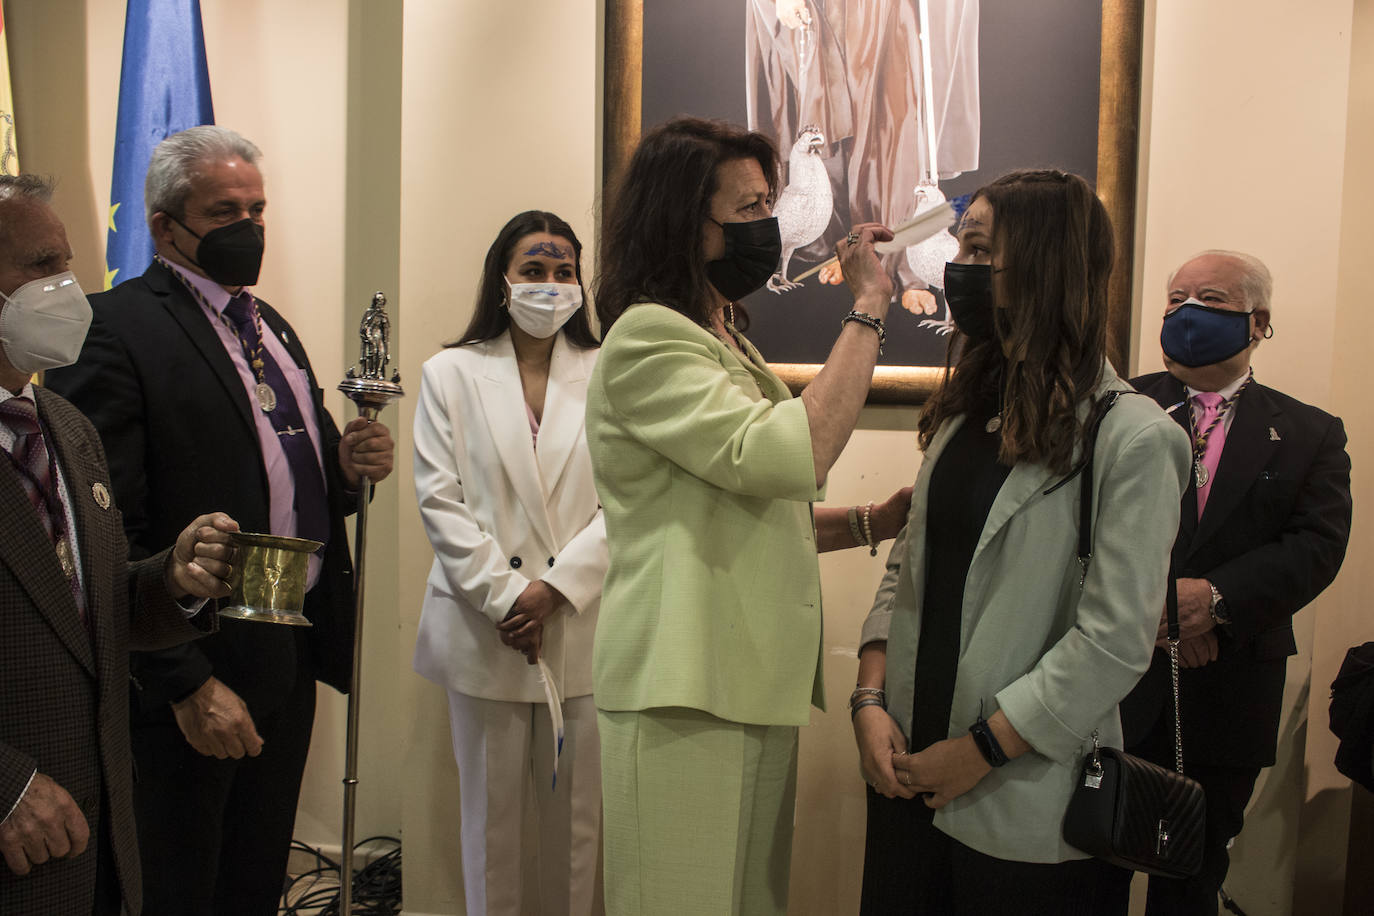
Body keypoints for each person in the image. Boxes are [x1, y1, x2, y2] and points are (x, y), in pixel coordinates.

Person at [44, 126, 395, 915]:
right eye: (225, 210)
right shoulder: (117, 327)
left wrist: (346, 470)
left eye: (259, 208)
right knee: (181, 879)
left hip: (288, 637)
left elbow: (293, 468)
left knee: (255, 870)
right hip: (192, 651)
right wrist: (182, 682)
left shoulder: (267, 323)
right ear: (168, 227)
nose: (249, 228)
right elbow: (104, 529)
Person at [585, 116, 912, 916]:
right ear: (685, 224)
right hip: (685, 679)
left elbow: (752, 503)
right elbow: (790, 456)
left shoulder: (720, 336)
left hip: (743, 673)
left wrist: (874, 520)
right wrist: (868, 306)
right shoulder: (647, 339)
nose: (771, 225)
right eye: (751, 208)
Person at [851, 169, 1192, 915]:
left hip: (1023, 800)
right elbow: (909, 565)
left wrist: (977, 752)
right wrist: (870, 700)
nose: (957, 270)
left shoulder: (1133, 438)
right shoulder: (966, 409)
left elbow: (1113, 641)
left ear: (1043, 263)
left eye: (977, 250)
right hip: (907, 773)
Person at [0, 173, 240, 915]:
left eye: (68, 263)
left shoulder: (67, 426)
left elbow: (83, 612)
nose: (69, 287)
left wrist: (172, 580)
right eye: (43, 266)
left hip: (97, 828)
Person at [1116, 250, 1352, 915]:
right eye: (1175, 297)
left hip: (1230, 687)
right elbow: (1081, 527)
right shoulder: (1115, 408)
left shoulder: (1310, 434)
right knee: (1087, 863)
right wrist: (1166, 608)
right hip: (1113, 678)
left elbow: (1317, 546)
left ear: (1258, 322)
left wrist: (1214, 603)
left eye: (1210, 298)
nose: (1185, 312)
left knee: (1191, 874)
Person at [412, 210, 608, 916]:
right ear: (503, 282)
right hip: (484, 629)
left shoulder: (610, 371)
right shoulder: (450, 374)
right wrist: (508, 599)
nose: (550, 286)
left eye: (563, 272)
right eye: (534, 270)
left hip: (579, 626)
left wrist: (554, 590)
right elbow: (440, 501)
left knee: (577, 836)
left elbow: (628, 499)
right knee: (489, 832)